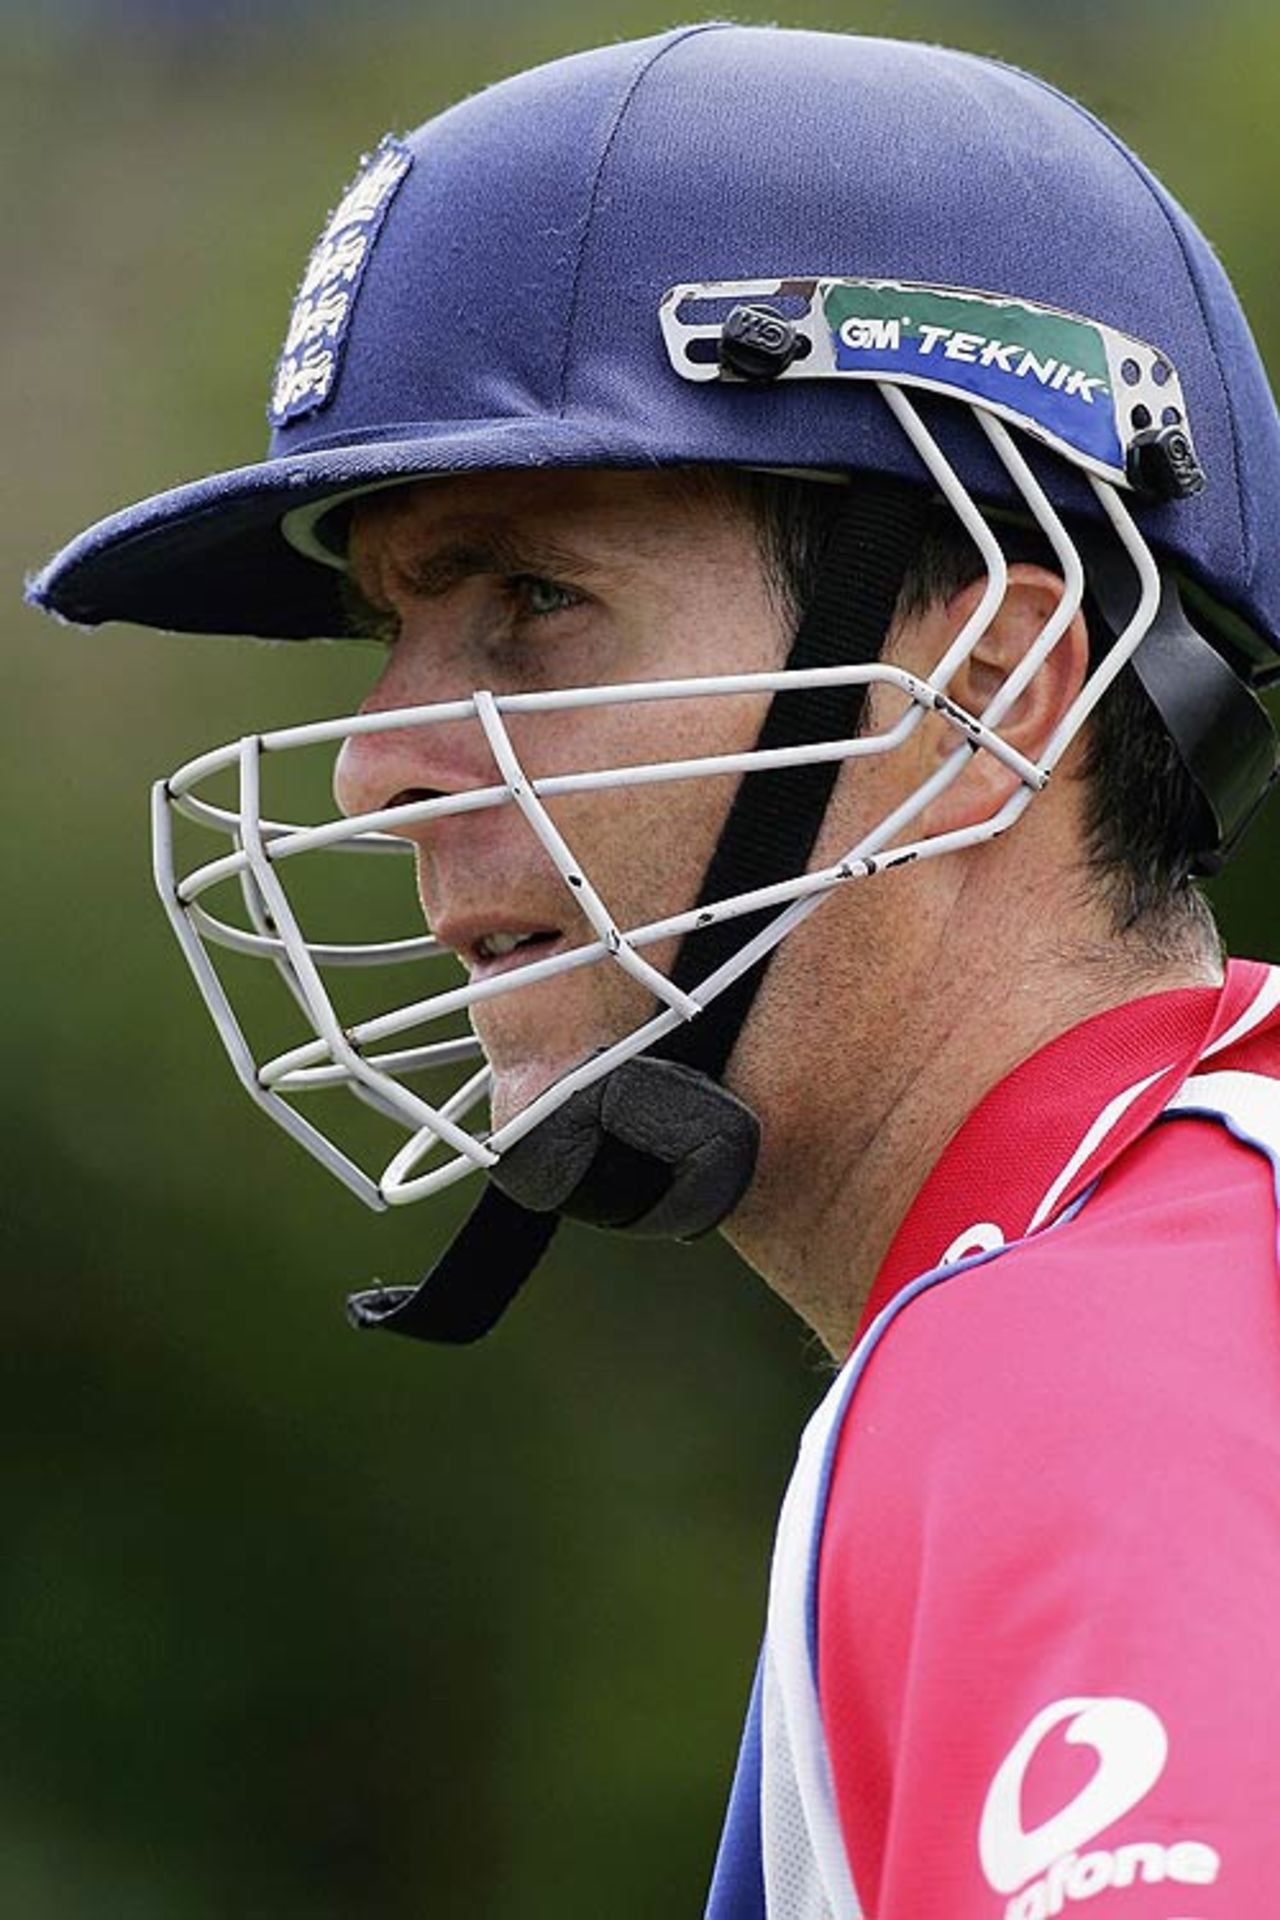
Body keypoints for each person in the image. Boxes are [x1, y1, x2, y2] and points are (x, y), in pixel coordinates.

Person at [29, 24, 1280, 1916]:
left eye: (531, 599)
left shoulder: (1080, 1365)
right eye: (390, 627)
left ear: (988, 692)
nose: (377, 760)